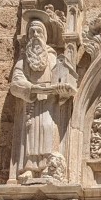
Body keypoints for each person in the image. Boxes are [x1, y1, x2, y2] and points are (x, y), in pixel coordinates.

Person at [11, 17, 76, 181]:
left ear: (45, 35)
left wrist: (62, 89)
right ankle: (30, 168)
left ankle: (48, 165)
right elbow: (16, 82)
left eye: (38, 31)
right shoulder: (24, 59)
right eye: (32, 31)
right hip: (32, 101)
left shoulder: (51, 56)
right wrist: (32, 88)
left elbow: (60, 75)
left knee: (47, 127)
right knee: (31, 131)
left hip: (49, 102)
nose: (35, 34)